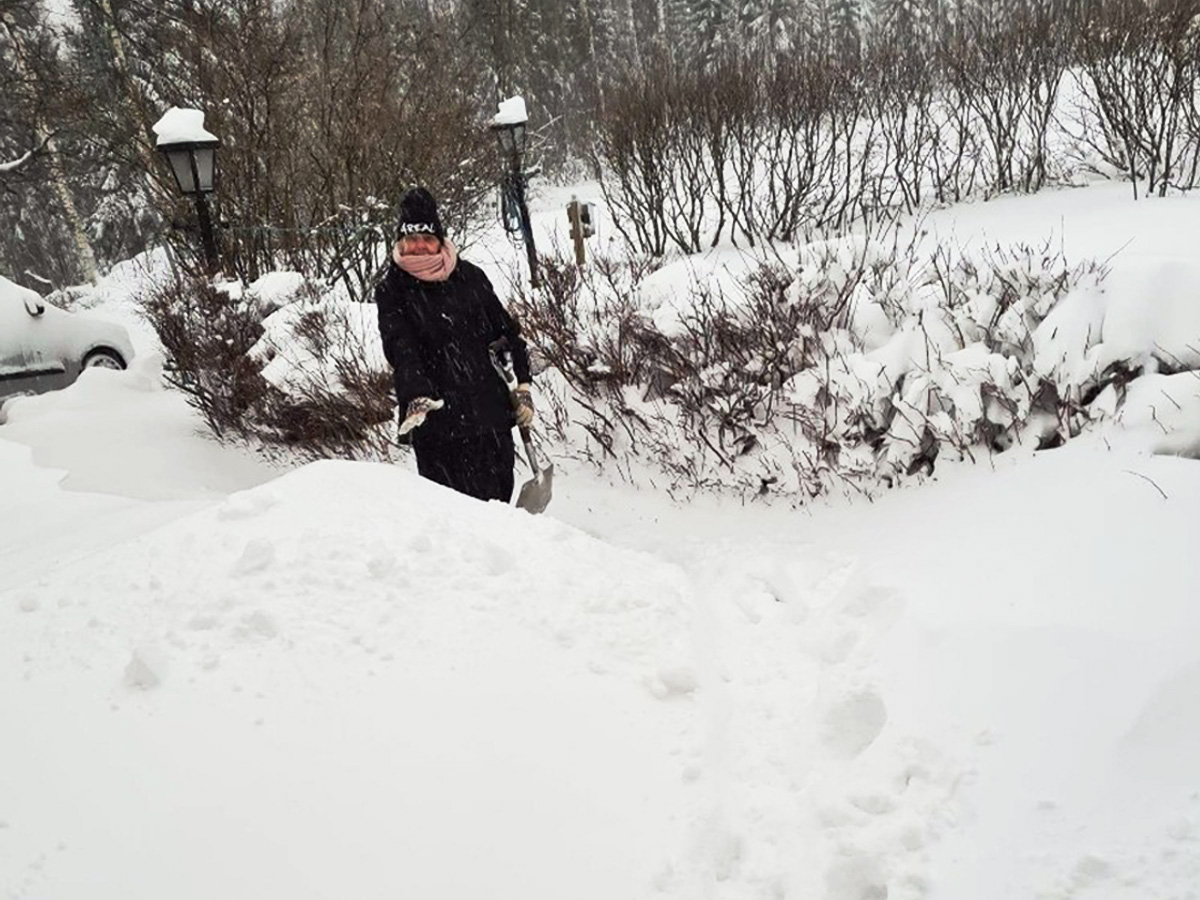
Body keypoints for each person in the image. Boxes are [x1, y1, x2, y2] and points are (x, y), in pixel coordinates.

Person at [374, 186, 535, 502]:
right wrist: (416, 394)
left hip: (490, 418)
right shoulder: (393, 289)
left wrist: (523, 385)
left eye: (427, 238)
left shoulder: (470, 277)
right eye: (411, 239)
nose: (419, 246)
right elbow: (400, 346)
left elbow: (507, 334)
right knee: (454, 520)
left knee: (498, 507)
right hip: (438, 425)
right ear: (400, 241)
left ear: (439, 239)